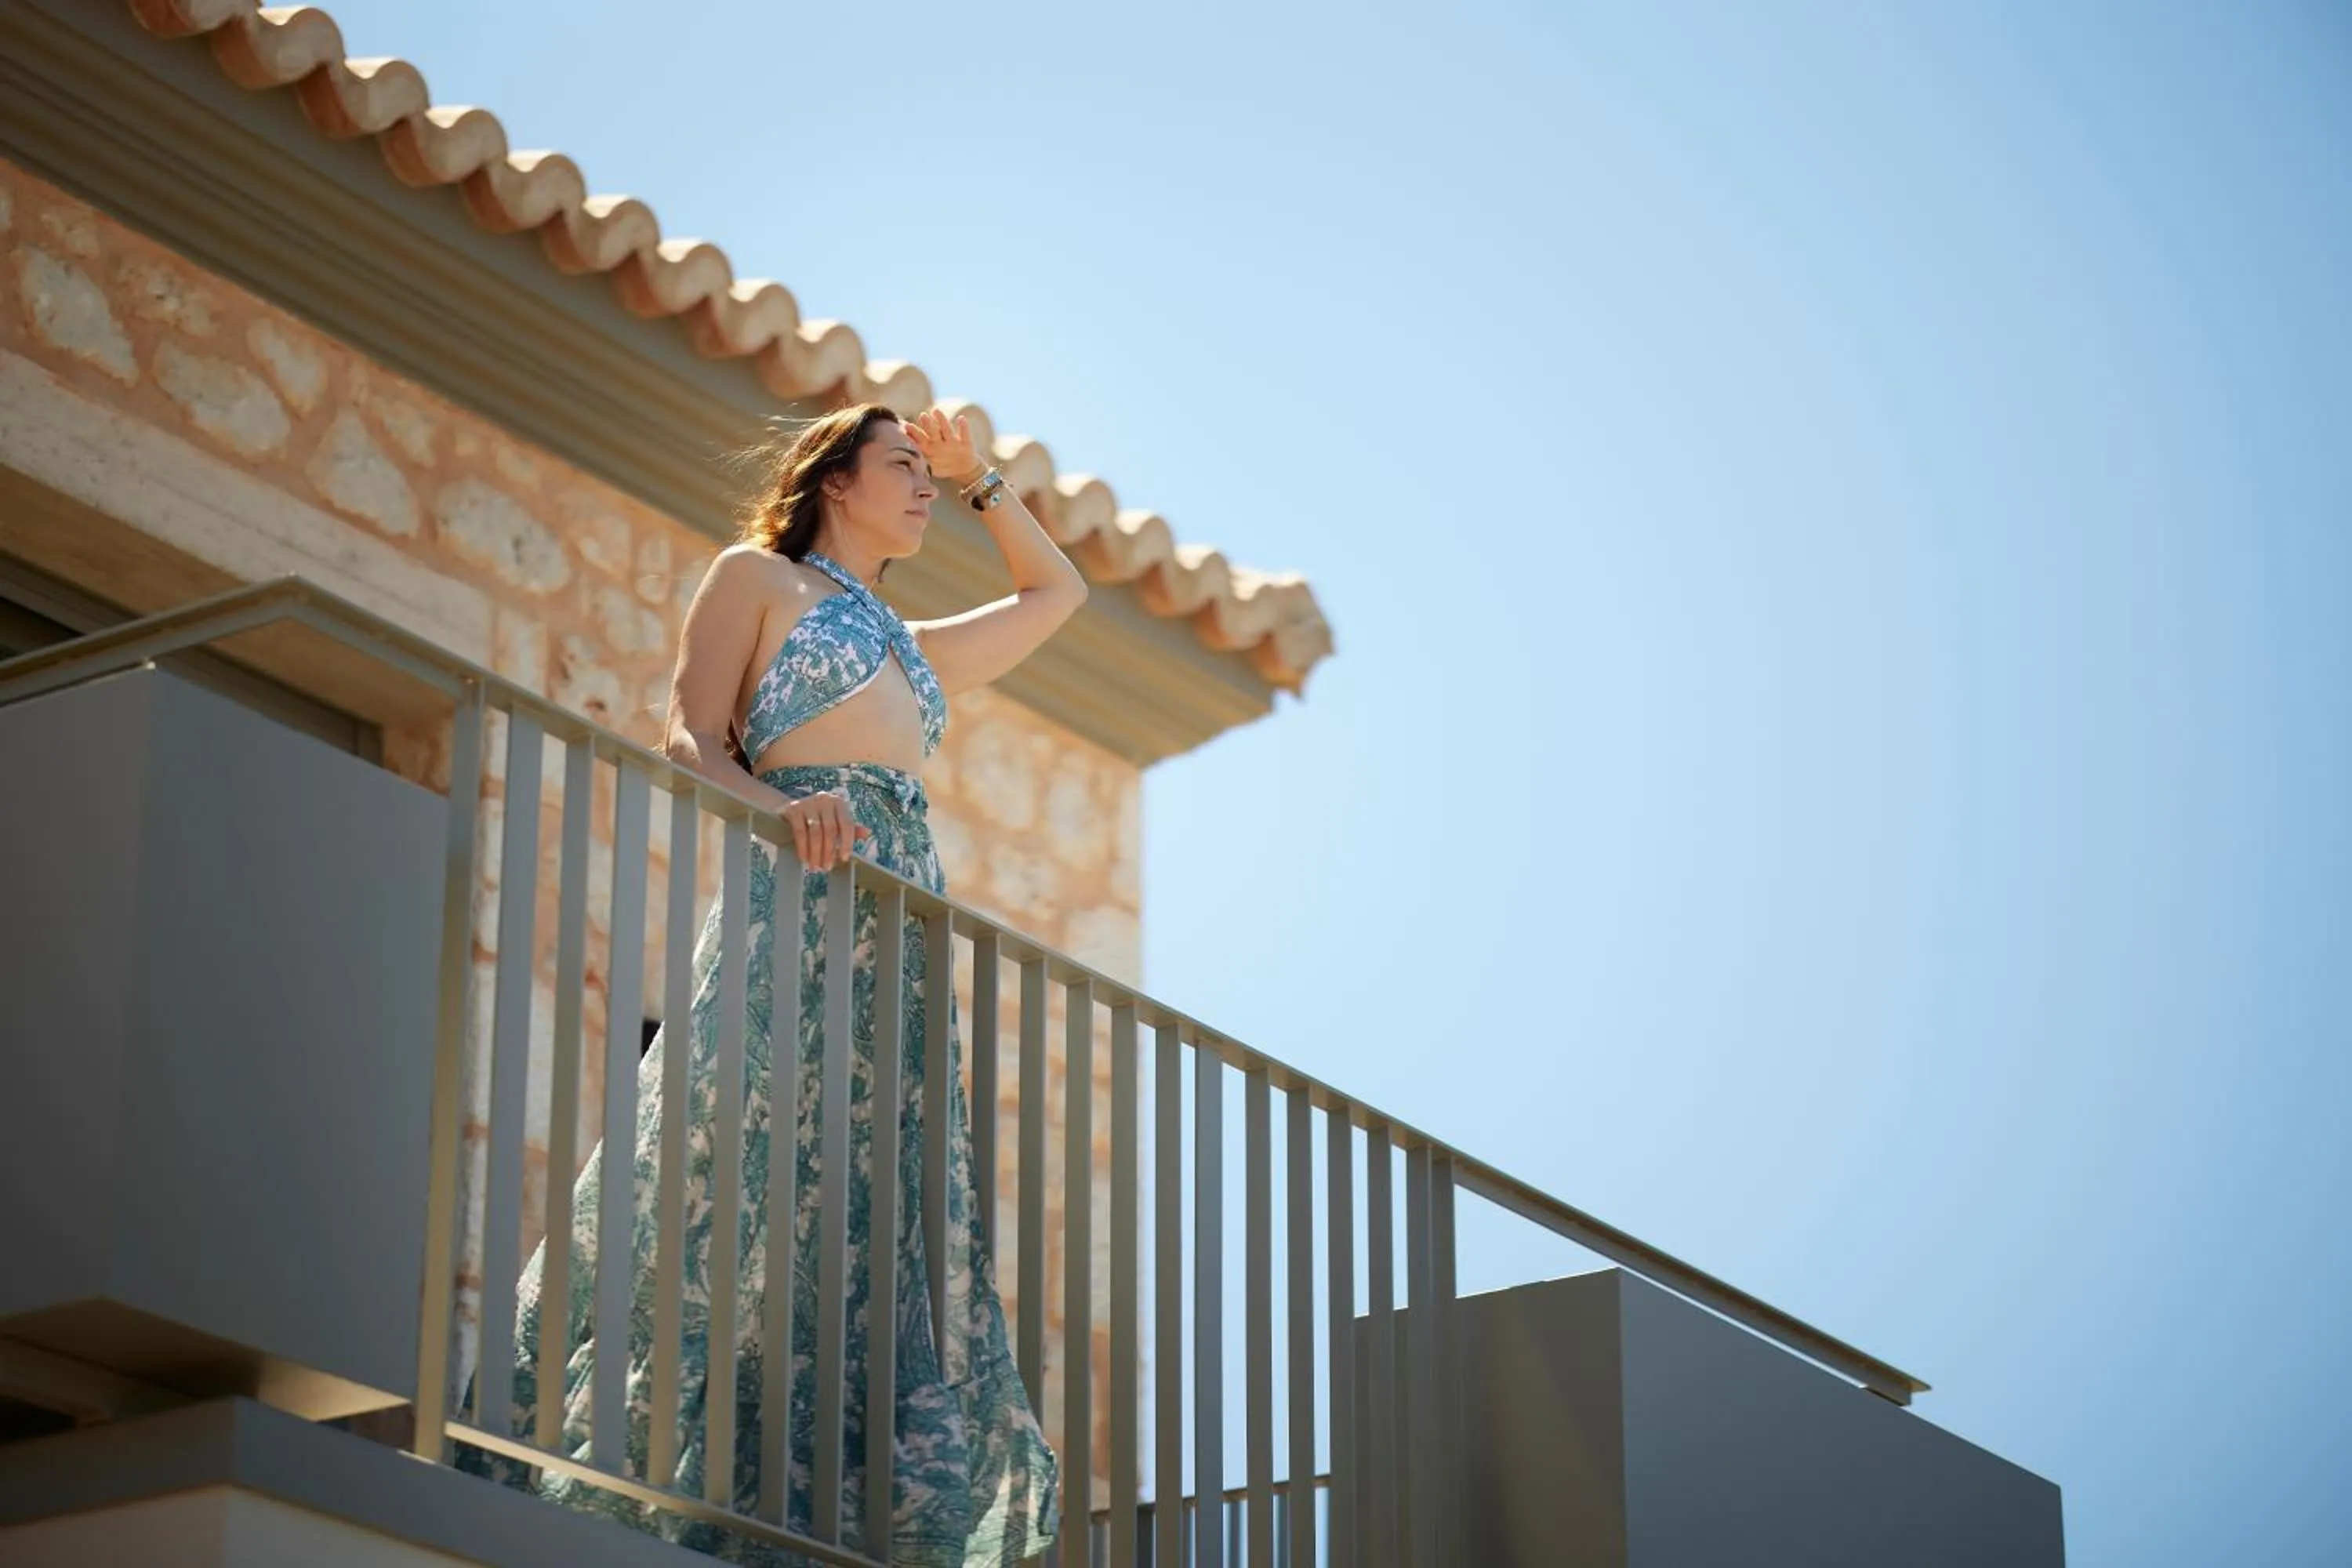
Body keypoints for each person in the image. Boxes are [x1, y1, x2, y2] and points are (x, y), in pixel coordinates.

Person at [468, 405, 1082, 1566]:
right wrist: (785, 808)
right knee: (725, 1160)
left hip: (899, 941)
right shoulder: (756, 579)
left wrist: (980, 477)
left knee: (872, 1203)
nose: (921, 487)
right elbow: (690, 738)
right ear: (835, 480)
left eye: (925, 473)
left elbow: (1059, 600)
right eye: (903, 465)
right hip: (796, 905)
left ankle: (818, 1498)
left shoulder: (906, 640)